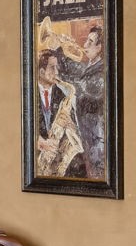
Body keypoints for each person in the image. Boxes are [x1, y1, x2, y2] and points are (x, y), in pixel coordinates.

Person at [63, 23, 107, 179]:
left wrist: (62, 55)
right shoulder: (88, 66)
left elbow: (83, 87)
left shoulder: (102, 71)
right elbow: (68, 71)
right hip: (84, 137)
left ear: (100, 47)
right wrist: (60, 49)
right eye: (86, 40)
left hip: (95, 140)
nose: (85, 45)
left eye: (90, 42)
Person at [34, 48, 84, 178]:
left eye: (57, 67)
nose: (57, 72)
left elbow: (74, 129)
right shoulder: (28, 94)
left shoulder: (62, 94)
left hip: (56, 155)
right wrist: (38, 141)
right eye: (52, 68)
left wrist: (68, 124)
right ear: (41, 71)